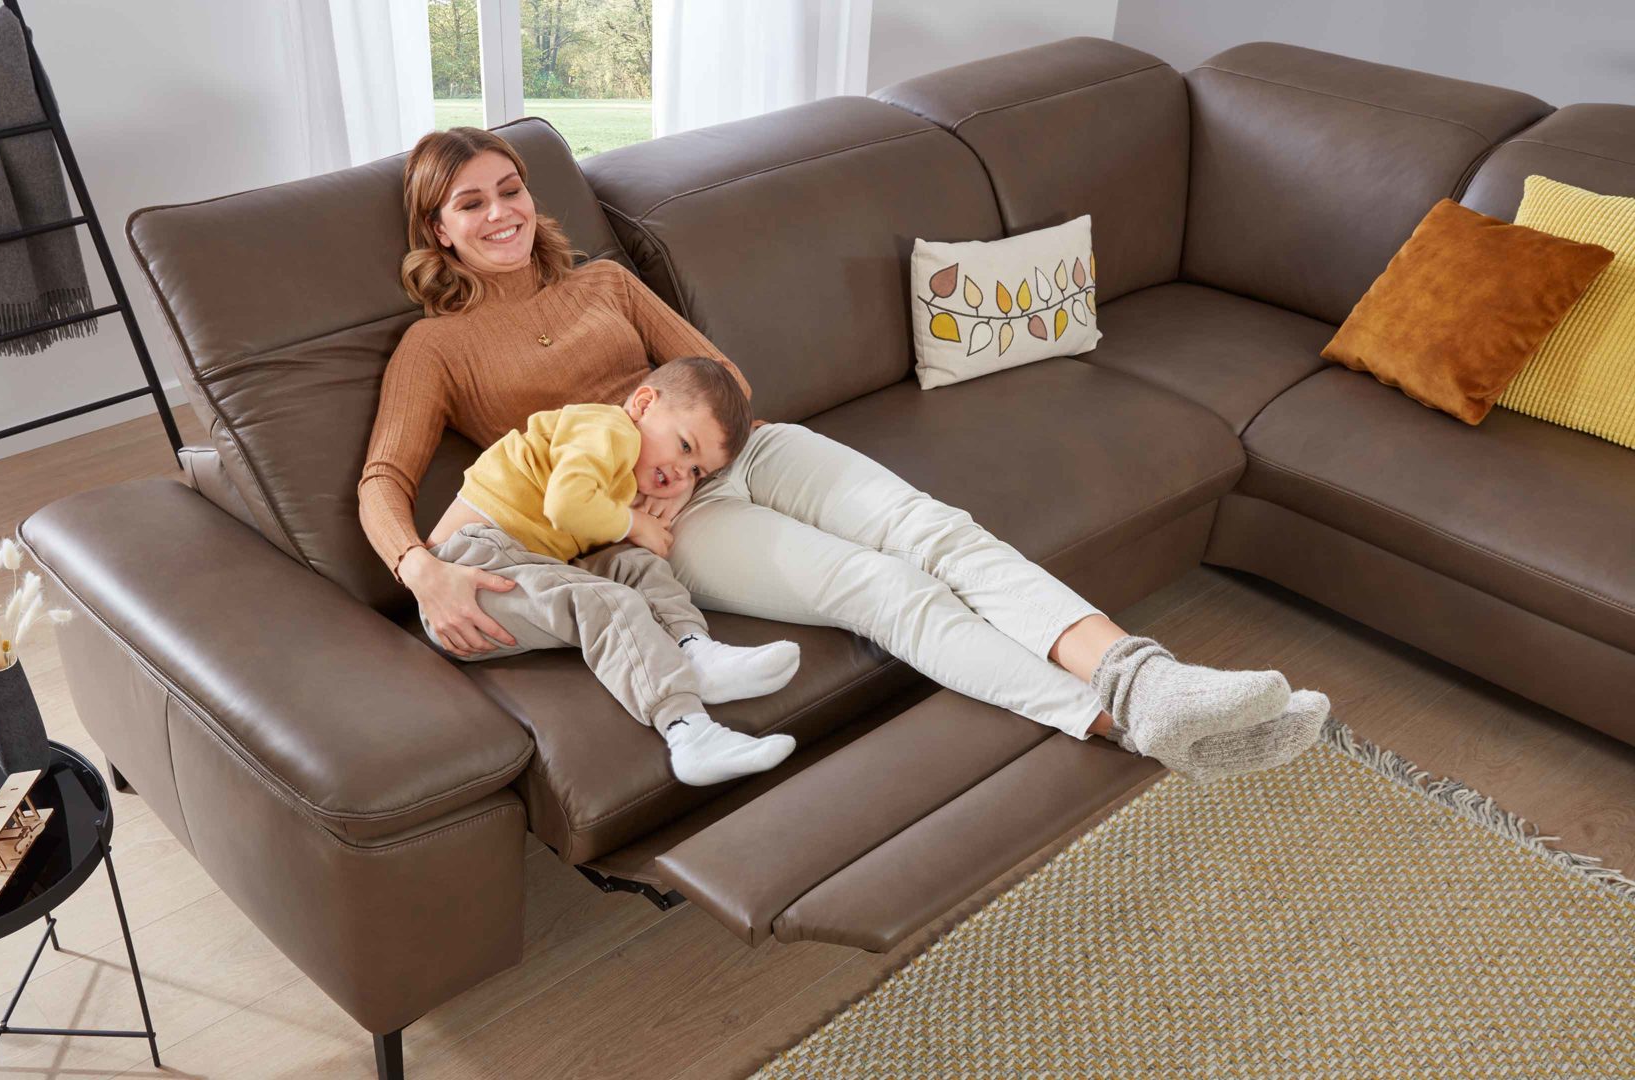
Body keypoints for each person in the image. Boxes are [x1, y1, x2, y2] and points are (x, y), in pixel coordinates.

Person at [360, 126, 1331, 785]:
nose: (501, 212)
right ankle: (1126, 725)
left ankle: (1145, 677)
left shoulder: (605, 284)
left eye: (511, 189)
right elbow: (383, 483)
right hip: (652, 523)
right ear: (438, 229)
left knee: (936, 532)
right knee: (883, 589)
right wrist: (421, 568)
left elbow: (721, 377)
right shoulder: (435, 348)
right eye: (471, 203)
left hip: (737, 450)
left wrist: (687, 452)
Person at [419, 356, 801, 785]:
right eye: (685, 446)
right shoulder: (608, 429)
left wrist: (644, 512)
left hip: (530, 564)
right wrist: (634, 522)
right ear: (643, 404)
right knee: (609, 600)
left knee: (636, 564)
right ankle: (689, 731)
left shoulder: (624, 472)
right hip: (468, 578)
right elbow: (565, 505)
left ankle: (696, 650)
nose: (682, 473)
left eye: (696, 471)